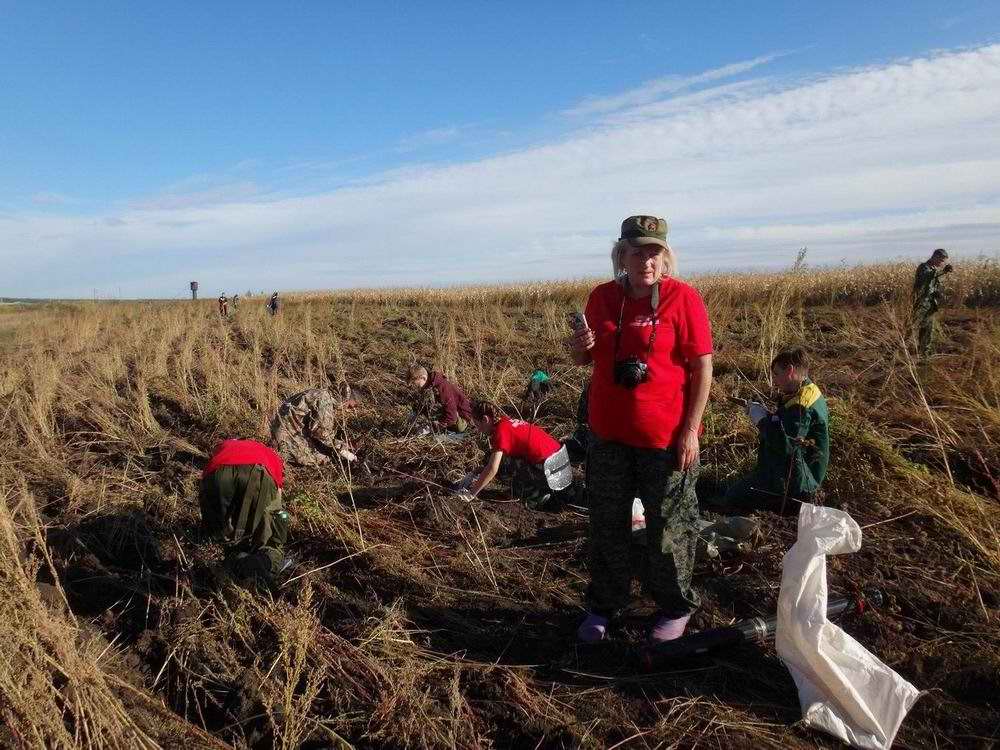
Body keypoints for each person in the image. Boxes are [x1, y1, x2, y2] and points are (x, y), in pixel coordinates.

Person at [570, 215, 713, 644]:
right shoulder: (601, 298)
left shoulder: (683, 299)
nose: (646, 260)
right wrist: (579, 348)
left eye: (654, 252)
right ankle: (605, 603)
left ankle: (675, 607)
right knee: (607, 525)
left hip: (665, 441)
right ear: (622, 256)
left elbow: (702, 366)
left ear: (665, 257)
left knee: (669, 527)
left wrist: (691, 430)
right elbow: (584, 361)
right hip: (609, 437)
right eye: (637, 251)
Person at [724, 348, 830, 512]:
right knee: (737, 492)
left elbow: (785, 445)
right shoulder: (805, 390)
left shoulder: (802, 405)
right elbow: (787, 426)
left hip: (797, 483)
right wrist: (769, 415)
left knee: (733, 498)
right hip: (793, 473)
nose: (774, 380)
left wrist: (762, 421)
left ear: (790, 371)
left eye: (776, 374)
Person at [199, 438, 290, 578]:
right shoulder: (272, 456)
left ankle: (226, 556)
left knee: (221, 531)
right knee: (269, 542)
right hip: (258, 471)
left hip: (216, 472)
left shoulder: (227, 444)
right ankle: (256, 566)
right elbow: (276, 504)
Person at [458, 400, 574, 509]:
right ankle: (531, 488)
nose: (479, 430)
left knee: (499, 463)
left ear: (485, 419)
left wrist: (471, 494)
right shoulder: (507, 422)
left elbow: (493, 468)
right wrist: (477, 472)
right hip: (560, 464)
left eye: (478, 425)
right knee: (494, 458)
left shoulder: (500, 431)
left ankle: (535, 494)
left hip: (552, 473)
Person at [271, 381, 363, 466]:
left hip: (281, 428)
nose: (348, 409)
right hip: (286, 435)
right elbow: (321, 434)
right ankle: (278, 451)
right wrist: (344, 449)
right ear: (346, 399)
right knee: (324, 458)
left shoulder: (322, 393)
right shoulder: (325, 402)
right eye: (350, 406)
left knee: (321, 447)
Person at [407, 365, 473, 436]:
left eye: (416, 385)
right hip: (451, 414)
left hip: (463, 419)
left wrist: (430, 428)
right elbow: (423, 403)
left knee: (458, 427)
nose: (415, 388)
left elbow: (451, 416)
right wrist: (414, 413)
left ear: (423, 378)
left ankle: (448, 431)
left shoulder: (441, 388)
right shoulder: (429, 384)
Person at [912, 249, 953, 357]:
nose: (942, 263)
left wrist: (937, 293)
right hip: (921, 303)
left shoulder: (933, 269)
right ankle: (896, 350)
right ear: (935, 257)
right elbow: (928, 277)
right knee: (913, 327)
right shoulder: (924, 267)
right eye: (941, 260)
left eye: (944, 261)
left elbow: (932, 285)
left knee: (928, 328)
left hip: (930, 303)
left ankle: (924, 353)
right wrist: (943, 271)